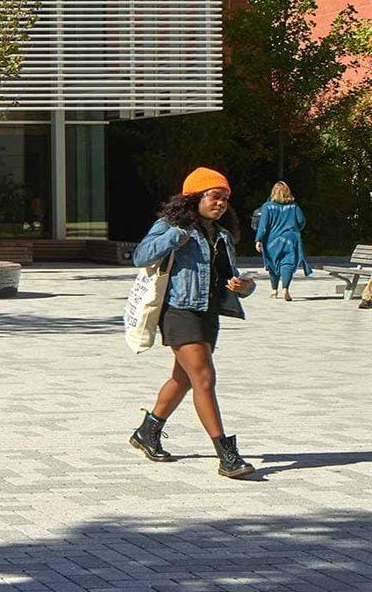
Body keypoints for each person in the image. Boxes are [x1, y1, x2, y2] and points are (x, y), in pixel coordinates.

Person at [128, 167, 257, 480]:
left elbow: (232, 276)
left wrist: (244, 285)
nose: (221, 204)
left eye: (225, 198)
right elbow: (140, 255)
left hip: (208, 313)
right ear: (195, 197)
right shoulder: (171, 225)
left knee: (184, 378)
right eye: (215, 197)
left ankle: (148, 431)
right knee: (204, 378)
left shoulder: (223, 235)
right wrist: (177, 234)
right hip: (178, 311)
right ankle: (227, 455)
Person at [254, 181, 310, 302]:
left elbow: (263, 225)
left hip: (272, 240)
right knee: (287, 263)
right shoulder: (294, 206)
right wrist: (294, 229)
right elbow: (301, 221)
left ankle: (274, 290)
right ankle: (285, 288)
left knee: (273, 264)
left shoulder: (267, 206)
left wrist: (259, 239)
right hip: (290, 238)